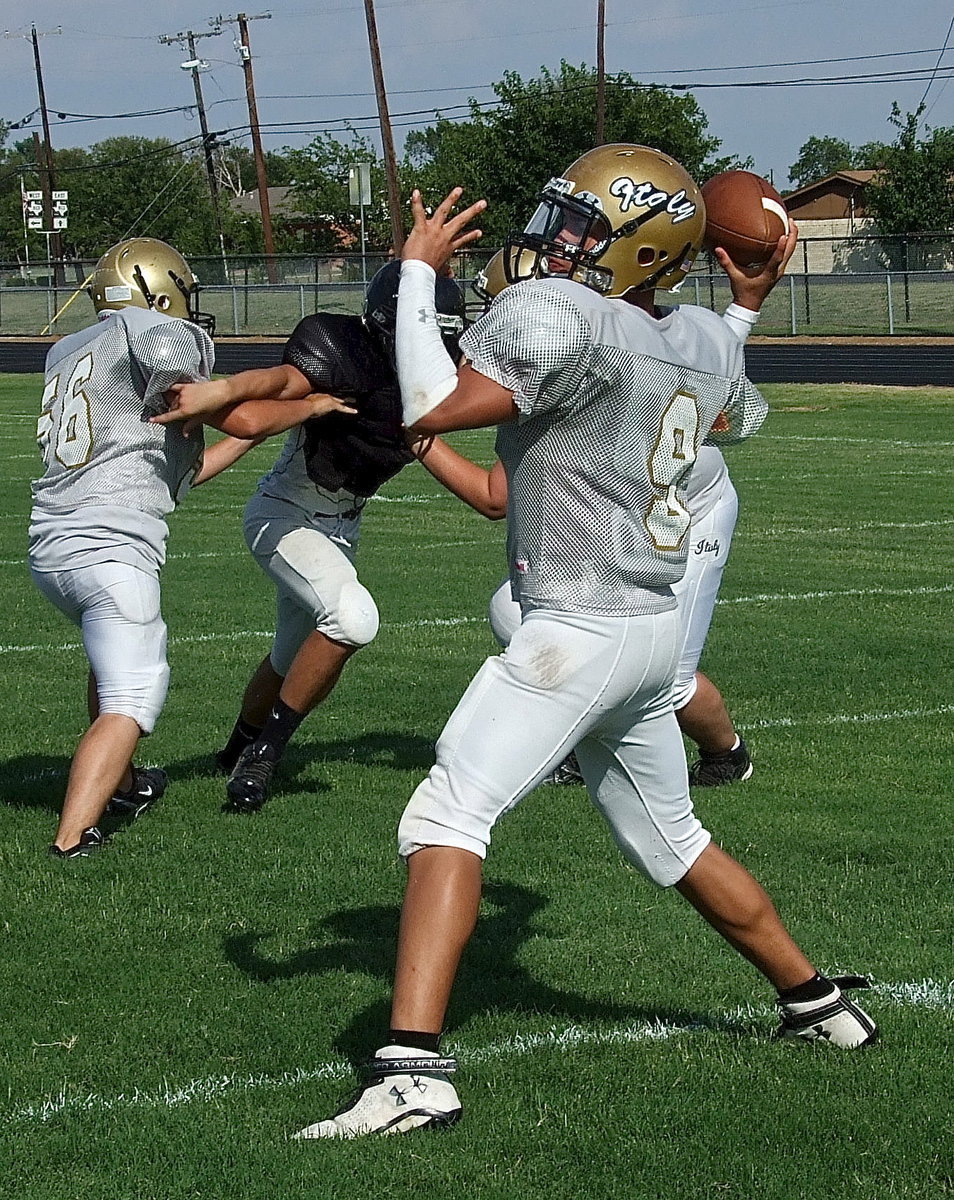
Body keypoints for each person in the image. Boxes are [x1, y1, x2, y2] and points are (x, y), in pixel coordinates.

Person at [299, 145, 877, 1139]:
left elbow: (440, 411)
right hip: (654, 630)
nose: (551, 242)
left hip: (580, 627)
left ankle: (412, 1074)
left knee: (447, 814)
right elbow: (724, 402)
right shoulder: (697, 335)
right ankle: (822, 1007)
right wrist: (746, 303)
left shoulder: (562, 318)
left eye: (578, 228)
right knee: (675, 839)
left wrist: (419, 277)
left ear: (636, 247)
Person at [27, 237, 345, 858]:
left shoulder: (71, 349)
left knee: (109, 660)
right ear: (157, 287)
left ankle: (122, 784)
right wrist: (312, 404)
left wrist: (249, 441)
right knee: (136, 688)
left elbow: (180, 469)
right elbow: (245, 418)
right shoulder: (156, 333)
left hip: (53, 545)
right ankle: (74, 837)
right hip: (111, 546)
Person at [152, 261, 466, 812]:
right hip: (285, 514)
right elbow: (278, 383)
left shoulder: (438, 379)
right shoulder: (344, 348)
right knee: (352, 619)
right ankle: (265, 755)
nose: (431, 347)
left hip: (341, 526)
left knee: (288, 656)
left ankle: (231, 753)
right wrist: (225, 390)